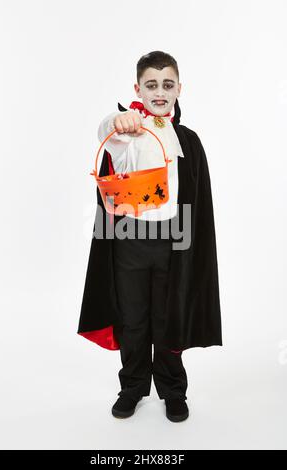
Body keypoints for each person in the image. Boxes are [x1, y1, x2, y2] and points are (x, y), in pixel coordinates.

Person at [77, 51, 223, 423]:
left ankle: (173, 390)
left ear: (178, 89)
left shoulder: (188, 140)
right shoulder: (128, 132)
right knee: (133, 318)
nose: (160, 91)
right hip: (128, 238)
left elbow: (195, 197)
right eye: (152, 84)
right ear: (138, 88)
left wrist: (189, 248)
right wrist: (119, 118)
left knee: (168, 317)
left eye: (167, 84)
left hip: (175, 240)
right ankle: (133, 386)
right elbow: (105, 132)